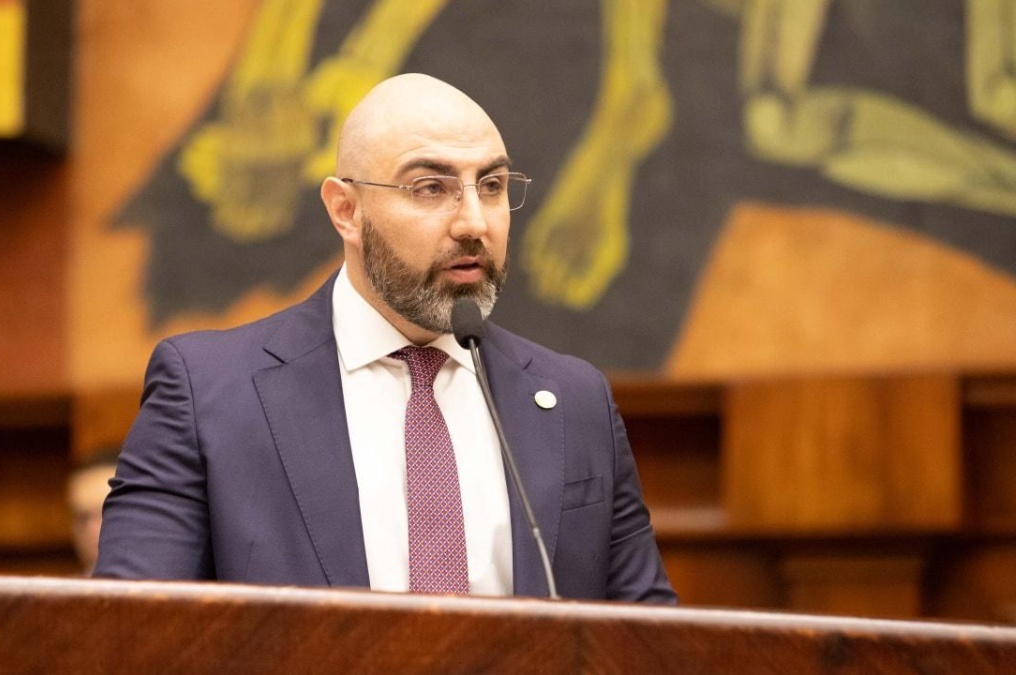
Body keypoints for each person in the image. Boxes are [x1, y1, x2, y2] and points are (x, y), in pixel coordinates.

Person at [96, 73, 676, 602]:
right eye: (430, 187)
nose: (474, 222)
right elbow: (129, 636)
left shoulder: (573, 400)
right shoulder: (209, 393)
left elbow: (650, 639)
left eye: (493, 185)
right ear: (346, 210)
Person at [67, 451, 120, 576]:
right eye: (83, 518)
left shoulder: (169, 589)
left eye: (106, 512)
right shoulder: (59, 594)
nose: (91, 529)